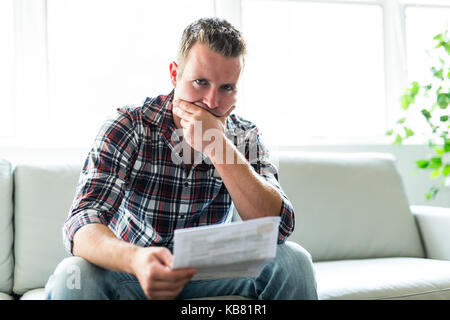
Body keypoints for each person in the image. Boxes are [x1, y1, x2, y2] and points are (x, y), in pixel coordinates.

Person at [44, 17, 318, 300]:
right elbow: (82, 221)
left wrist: (219, 147)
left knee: (293, 262)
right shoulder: (130, 124)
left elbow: (279, 229)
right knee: (72, 275)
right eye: (200, 82)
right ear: (175, 75)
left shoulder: (245, 135)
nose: (211, 102)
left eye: (227, 88)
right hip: (133, 268)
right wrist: (137, 259)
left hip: (210, 269)